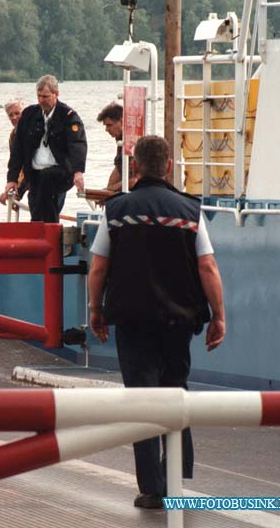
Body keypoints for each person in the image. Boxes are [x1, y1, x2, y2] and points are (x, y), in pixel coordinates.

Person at [87, 135, 226, 509]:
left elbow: (98, 266)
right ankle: (177, 482)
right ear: (168, 165)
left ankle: (151, 489)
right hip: (178, 322)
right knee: (175, 393)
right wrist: (219, 316)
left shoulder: (115, 210)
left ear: (135, 166)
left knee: (142, 400)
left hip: (131, 321)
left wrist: (95, 310)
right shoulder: (190, 211)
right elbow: (207, 266)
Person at [3, 75, 87, 222]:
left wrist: (78, 171)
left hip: (59, 173)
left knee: (46, 188)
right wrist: (12, 179)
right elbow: (18, 150)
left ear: (56, 94)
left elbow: (77, 144)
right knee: (37, 205)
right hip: (35, 173)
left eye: (46, 96)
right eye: (39, 96)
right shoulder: (29, 115)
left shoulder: (68, 116)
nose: (42, 100)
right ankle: (40, 233)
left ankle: (47, 232)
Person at [96, 101, 138, 192]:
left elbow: (134, 181)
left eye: (109, 125)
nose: (106, 129)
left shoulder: (132, 142)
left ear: (122, 121)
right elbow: (119, 166)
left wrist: (112, 188)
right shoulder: (120, 140)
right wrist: (110, 189)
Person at [0, 99, 27, 206]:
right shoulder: (13, 135)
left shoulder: (31, 132)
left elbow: (28, 167)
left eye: (17, 113)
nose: (14, 117)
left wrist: (17, 193)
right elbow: (16, 164)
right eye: (10, 115)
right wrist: (13, 191)